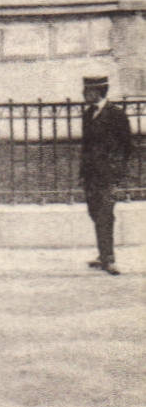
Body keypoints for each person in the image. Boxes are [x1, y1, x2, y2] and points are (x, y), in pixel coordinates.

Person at [80, 74, 132, 276]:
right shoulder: (88, 114)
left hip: (108, 175)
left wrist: (115, 172)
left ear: (99, 92)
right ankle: (103, 254)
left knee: (105, 213)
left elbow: (126, 145)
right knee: (94, 212)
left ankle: (109, 259)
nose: (84, 94)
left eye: (88, 91)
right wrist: (83, 171)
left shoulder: (116, 114)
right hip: (91, 175)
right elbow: (86, 146)